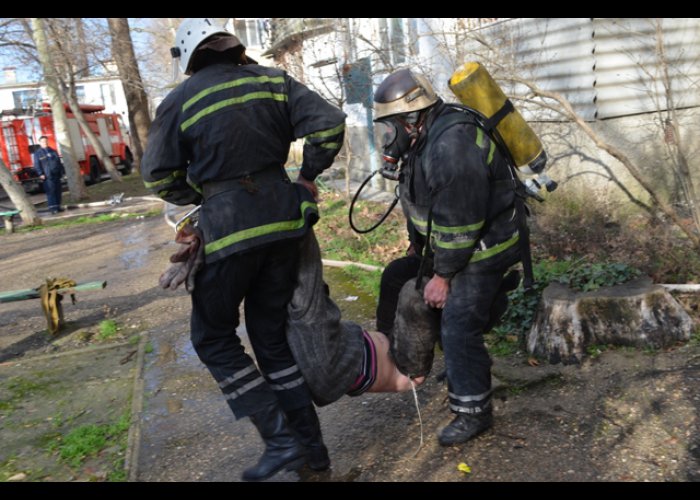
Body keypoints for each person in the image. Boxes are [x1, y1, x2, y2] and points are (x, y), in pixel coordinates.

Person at [142, 18, 346, 481]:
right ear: (233, 49)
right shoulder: (274, 82)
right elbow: (330, 124)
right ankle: (314, 453)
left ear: (190, 59)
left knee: (212, 337)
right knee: (271, 341)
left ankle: (280, 443)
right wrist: (307, 175)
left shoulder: (178, 100)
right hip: (284, 224)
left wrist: (204, 197)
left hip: (230, 231)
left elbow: (157, 176)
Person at [372, 68, 526, 446]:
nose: (387, 138)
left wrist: (441, 277)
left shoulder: (451, 144)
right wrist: (417, 249)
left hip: (485, 249)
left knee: (457, 321)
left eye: (389, 128)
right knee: (397, 275)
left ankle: (473, 410)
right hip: (456, 248)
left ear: (411, 119)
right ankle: (395, 358)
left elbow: (461, 222)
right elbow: (425, 203)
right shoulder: (423, 140)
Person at [33, 136, 65, 214]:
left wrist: (61, 172)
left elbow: (58, 162)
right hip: (47, 175)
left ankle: (58, 206)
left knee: (58, 191)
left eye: (46, 141)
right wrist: (40, 173)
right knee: (51, 191)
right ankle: (53, 208)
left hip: (56, 174)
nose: (45, 143)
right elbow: (37, 165)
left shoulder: (53, 151)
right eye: (43, 141)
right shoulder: (38, 153)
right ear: (40, 143)